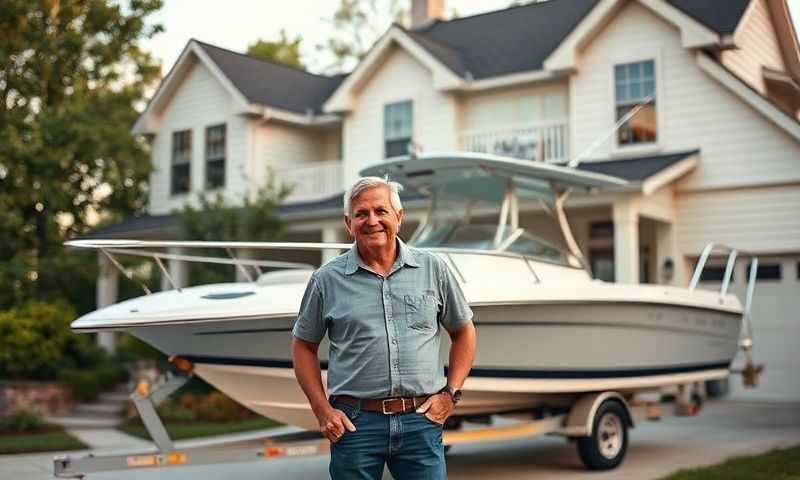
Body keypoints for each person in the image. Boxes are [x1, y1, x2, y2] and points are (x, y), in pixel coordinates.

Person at [292, 176, 477, 480]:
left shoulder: (434, 269)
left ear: (399, 218)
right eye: (361, 214)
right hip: (355, 424)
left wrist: (450, 394)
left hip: (421, 420)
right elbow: (303, 346)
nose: (372, 221)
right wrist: (321, 409)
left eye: (381, 211)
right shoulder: (326, 280)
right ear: (348, 223)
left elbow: (464, 331)